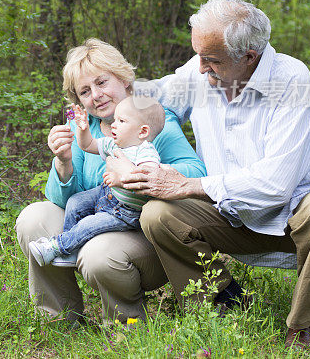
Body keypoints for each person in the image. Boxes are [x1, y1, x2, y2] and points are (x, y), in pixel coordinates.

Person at [120, 0, 310, 347]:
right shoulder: (202, 70)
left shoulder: (291, 81)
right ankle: (224, 303)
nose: (199, 68)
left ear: (249, 57)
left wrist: (191, 184)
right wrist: (106, 93)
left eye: (211, 60)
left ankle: (301, 325)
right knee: (158, 214)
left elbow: (275, 186)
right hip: (228, 214)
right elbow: (153, 99)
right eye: (197, 55)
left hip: (294, 214)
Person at [15, 39, 207, 324]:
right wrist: (63, 161)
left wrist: (139, 173)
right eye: (85, 91)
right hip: (98, 217)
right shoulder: (83, 130)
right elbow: (61, 201)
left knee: (98, 252)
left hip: (143, 235)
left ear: (124, 79)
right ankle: (59, 321)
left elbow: (195, 172)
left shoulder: (150, 121)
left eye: (102, 82)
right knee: (34, 217)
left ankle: (125, 328)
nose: (96, 95)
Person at [28, 97, 166, 267]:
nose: (114, 125)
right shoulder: (114, 144)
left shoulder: (146, 153)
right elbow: (88, 145)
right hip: (106, 194)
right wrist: (83, 128)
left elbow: (146, 179)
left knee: (88, 224)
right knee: (76, 201)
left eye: (121, 121)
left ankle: (57, 246)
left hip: (124, 212)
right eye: (115, 119)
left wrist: (120, 178)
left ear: (142, 131)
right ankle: (72, 251)